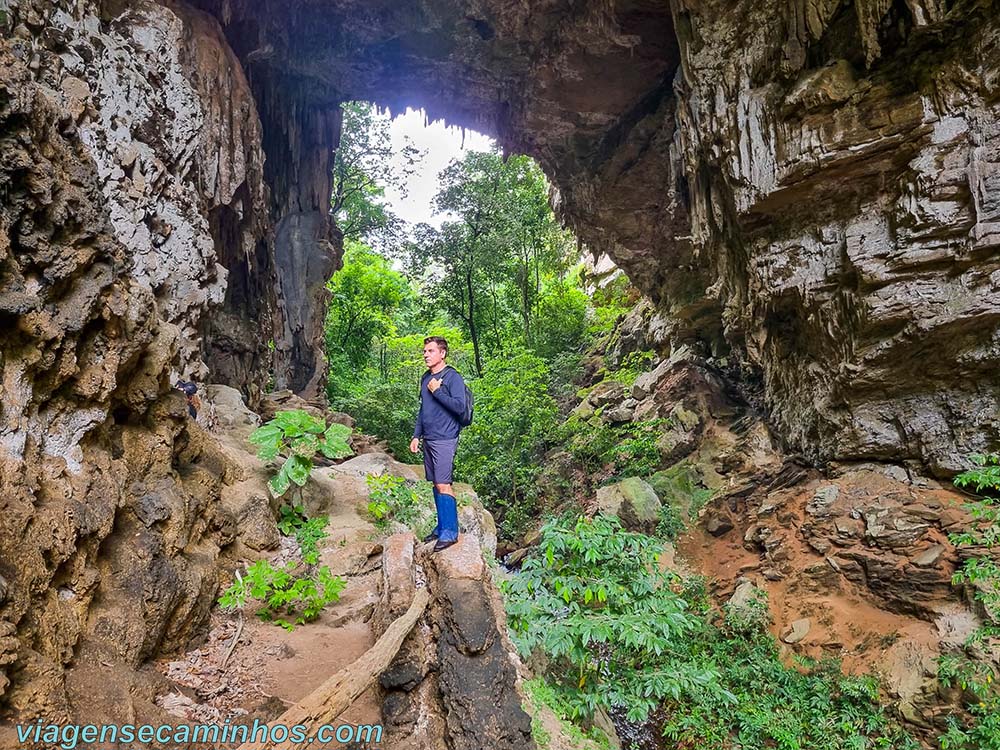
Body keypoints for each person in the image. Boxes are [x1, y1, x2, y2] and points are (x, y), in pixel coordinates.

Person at [410, 336, 468, 552]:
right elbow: (423, 410)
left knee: (444, 484)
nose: (426, 354)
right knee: (435, 483)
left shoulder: (453, 377)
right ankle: (442, 526)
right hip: (429, 437)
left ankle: (450, 532)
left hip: (445, 438)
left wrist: (438, 391)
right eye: (425, 351)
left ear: (442, 353)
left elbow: (460, 407)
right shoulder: (426, 378)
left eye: (431, 351)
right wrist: (417, 435)